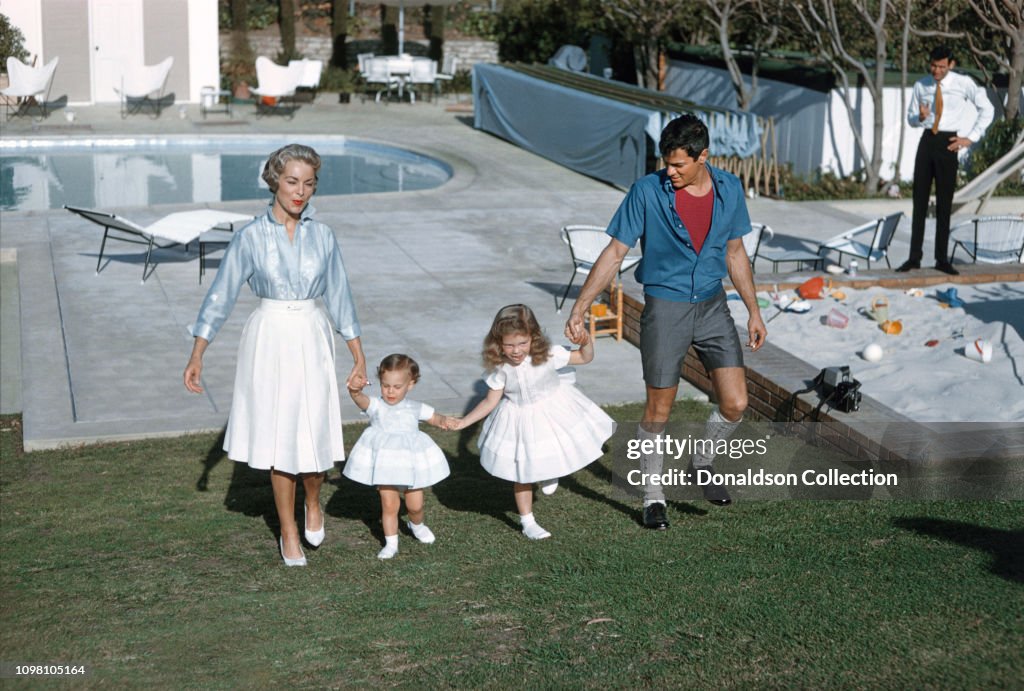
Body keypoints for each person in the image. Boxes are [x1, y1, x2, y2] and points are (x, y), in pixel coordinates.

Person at [564, 113, 766, 530]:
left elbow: (736, 254)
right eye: (665, 163)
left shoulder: (729, 189)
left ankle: (702, 462)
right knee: (658, 411)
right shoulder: (647, 192)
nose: (668, 172)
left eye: (678, 165)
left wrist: (754, 311)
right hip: (665, 308)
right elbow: (614, 253)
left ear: (702, 157)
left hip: (712, 306)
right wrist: (580, 306)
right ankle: (653, 496)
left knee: (736, 403)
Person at [184, 143, 366, 567]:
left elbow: (340, 296)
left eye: (309, 183)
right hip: (267, 340)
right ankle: (288, 530)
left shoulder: (324, 236)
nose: (300, 192)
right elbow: (220, 296)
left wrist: (357, 354)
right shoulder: (249, 237)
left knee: (316, 432)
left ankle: (313, 501)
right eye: (291, 182)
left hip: (312, 334)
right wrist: (198, 354)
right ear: (274, 182)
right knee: (281, 438)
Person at [452, 304, 616, 540]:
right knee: (522, 471)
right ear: (497, 343)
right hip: (518, 416)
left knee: (556, 445)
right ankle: (527, 521)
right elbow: (489, 402)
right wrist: (463, 423)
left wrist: (586, 339)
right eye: (509, 345)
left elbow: (584, 356)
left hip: (553, 406)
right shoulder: (499, 368)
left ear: (534, 338)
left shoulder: (548, 354)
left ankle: (551, 471)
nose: (516, 351)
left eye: (522, 343)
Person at [343, 354, 452, 559]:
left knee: (415, 504)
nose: (390, 391)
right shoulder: (376, 405)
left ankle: (416, 524)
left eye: (397, 387)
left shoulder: (415, 407)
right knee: (389, 504)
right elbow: (361, 400)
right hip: (385, 464)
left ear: (410, 385)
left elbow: (435, 418)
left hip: (409, 464)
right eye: (385, 386)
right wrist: (354, 390)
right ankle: (391, 542)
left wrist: (446, 422)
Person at [898, 45, 994, 276]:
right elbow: (911, 119)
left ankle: (942, 259)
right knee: (919, 201)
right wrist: (919, 117)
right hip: (927, 141)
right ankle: (914, 257)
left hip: (949, 142)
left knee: (944, 204)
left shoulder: (963, 83)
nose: (936, 70)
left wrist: (969, 138)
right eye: (933, 65)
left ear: (951, 65)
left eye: (941, 66)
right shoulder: (922, 85)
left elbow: (987, 109)